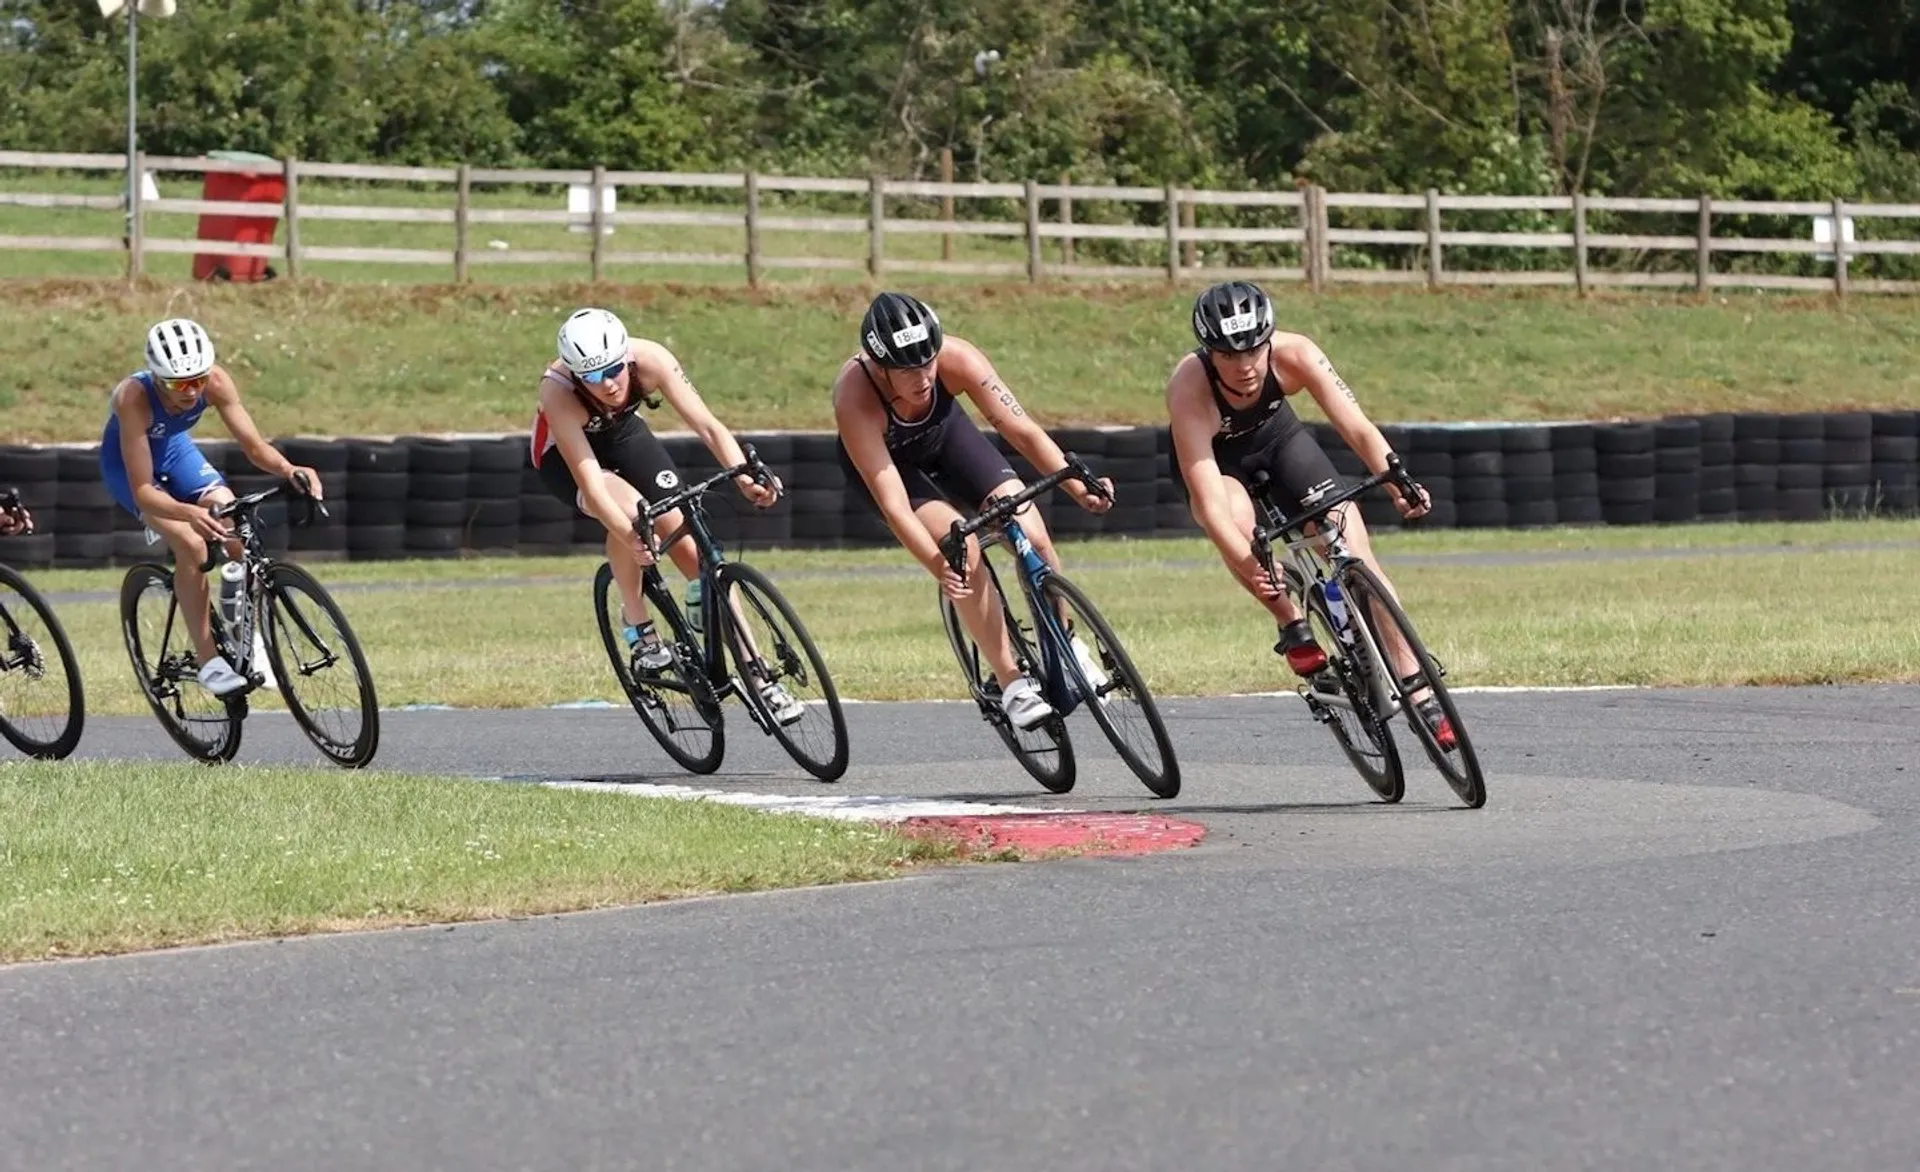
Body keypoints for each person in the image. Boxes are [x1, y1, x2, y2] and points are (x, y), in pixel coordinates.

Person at [1165, 280, 1452, 746]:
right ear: (1208, 352)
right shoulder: (1188, 388)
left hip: (1280, 443)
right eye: (1228, 355)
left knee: (1353, 550)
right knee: (1239, 527)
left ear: (1269, 339)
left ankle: (1417, 686)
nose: (1244, 366)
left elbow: (1357, 426)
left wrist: (1396, 479)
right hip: (1218, 466)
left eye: (1253, 349)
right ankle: (1291, 623)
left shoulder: (1297, 353)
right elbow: (1212, 507)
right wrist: (1251, 566)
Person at [833, 291, 1113, 732]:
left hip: (946, 438)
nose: (923, 378)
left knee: (1032, 532)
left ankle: (1066, 644)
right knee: (964, 553)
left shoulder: (958, 357)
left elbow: (1020, 429)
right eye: (907, 370)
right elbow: (895, 505)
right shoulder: (855, 396)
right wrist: (939, 564)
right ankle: (1011, 682)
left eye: (928, 362)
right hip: (892, 472)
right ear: (880, 366)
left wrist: (1079, 486)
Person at [530, 306, 803, 724]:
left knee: (697, 554)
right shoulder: (558, 392)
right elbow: (593, 486)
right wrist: (630, 536)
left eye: (613, 370)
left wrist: (745, 476)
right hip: (565, 459)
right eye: (593, 376)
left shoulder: (651, 359)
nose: (607, 384)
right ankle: (637, 624)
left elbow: (708, 426)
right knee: (633, 514)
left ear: (626, 357)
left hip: (621, 433)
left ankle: (758, 674)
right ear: (576, 374)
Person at [100, 318, 322, 696]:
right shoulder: (132, 397)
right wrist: (189, 513)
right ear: (157, 378)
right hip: (130, 470)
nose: (191, 392)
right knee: (191, 543)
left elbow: (254, 447)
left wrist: (289, 469)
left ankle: (246, 633)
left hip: (175, 452)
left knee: (233, 520)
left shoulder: (216, 381)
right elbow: (143, 490)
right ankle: (209, 662)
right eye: (178, 384)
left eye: (197, 380)